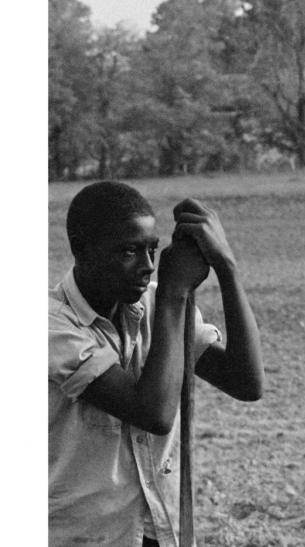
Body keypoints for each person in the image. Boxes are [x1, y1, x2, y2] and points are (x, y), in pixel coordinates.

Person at [49, 181, 264, 547]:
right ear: (81, 249)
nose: (148, 266)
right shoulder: (50, 324)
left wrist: (226, 266)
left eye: (153, 249)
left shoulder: (154, 306)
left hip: (160, 532)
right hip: (82, 536)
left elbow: (246, 383)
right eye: (130, 251)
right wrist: (173, 296)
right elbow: (153, 414)